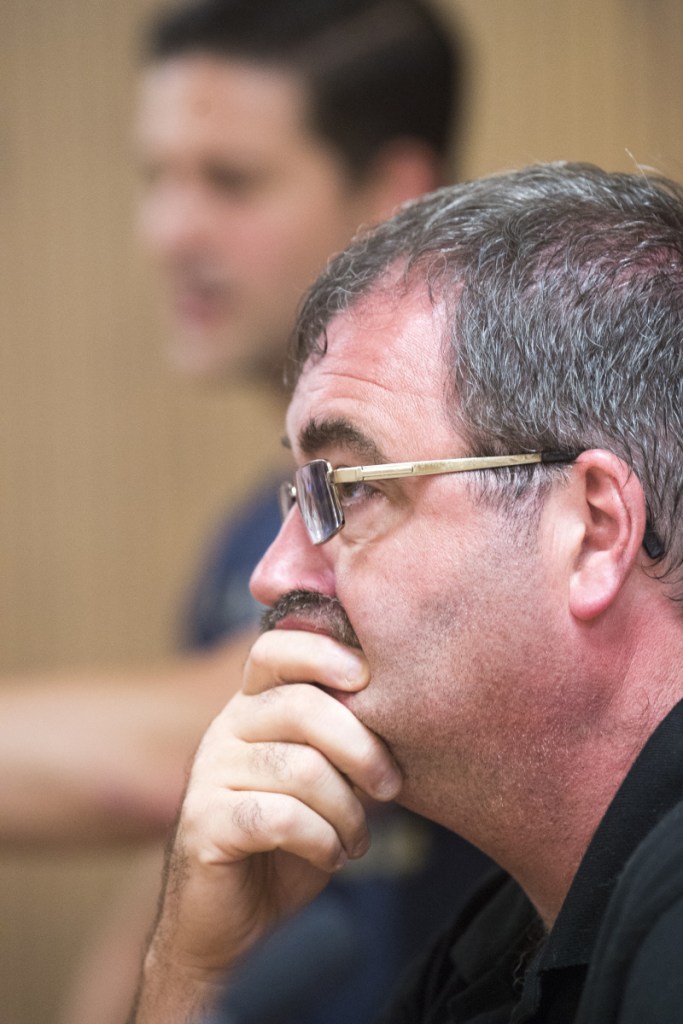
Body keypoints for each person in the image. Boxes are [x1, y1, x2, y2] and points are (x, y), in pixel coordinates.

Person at [3, 2, 494, 1023]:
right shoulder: (250, 541)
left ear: (393, 196)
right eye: (156, 178)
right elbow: (187, 845)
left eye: (229, 180)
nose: (167, 231)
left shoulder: (475, 496)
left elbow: (150, 763)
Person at [129, 161, 683, 1024]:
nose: (272, 575)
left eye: (347, 492)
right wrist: (199, 975)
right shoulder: (497, 944)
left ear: (594, 531)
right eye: (297, 496)